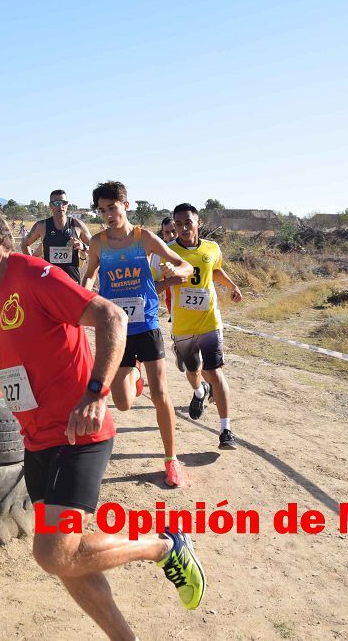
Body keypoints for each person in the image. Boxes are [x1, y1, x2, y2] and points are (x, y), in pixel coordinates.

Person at [0, 202, 206, 639]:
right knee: (68, 562)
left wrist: (97, 393)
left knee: (53, 554)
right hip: (38, 442)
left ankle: (165, 545)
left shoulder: (34, 275)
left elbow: (111, 316)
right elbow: (16, 369)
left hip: (77, 434)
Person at [82, 181, 193, 488]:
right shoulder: (97, 243)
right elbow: (90, 274)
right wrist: (82, 296)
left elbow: (181, 263)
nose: (107, 214)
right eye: (102, 210)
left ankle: (172, 460)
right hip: (115, 329)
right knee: (123, 403)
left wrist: (179, 273)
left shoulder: (143, 238)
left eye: (112, 207)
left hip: (146, 326)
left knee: (160, 395)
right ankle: (134, 377)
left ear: (125, 205)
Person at [165, 203, 244, 450]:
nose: (183, 227)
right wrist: (169, 277)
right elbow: (155, 281)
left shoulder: (212, 247)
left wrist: (232, 286)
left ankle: (226, 430)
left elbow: (216, 269)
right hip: (183, 325)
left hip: (210, 320)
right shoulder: (168, 250)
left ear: (198, 223)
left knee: (216, 371)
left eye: (188, 222)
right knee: (192, 370)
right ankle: (199, 392)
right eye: (178, 224)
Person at [21, 189, 92, 284]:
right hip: (50, 281)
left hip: (72, 281)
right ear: (50, 206)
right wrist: (33, 266)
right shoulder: (42, 226)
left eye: (64, 203)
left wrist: (83, 247)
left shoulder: (77, 225)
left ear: (67, 205)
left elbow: (96, 249)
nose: (61, 206)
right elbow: (24, 244)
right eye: (57, 203)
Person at [150, 217, 178, 322]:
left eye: (174, 231)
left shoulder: (191, 248)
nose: (171, 236)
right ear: (162, 233)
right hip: (173, 304)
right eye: (167, 232)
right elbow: (153, 283)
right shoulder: (159, 253)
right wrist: (173, 280)